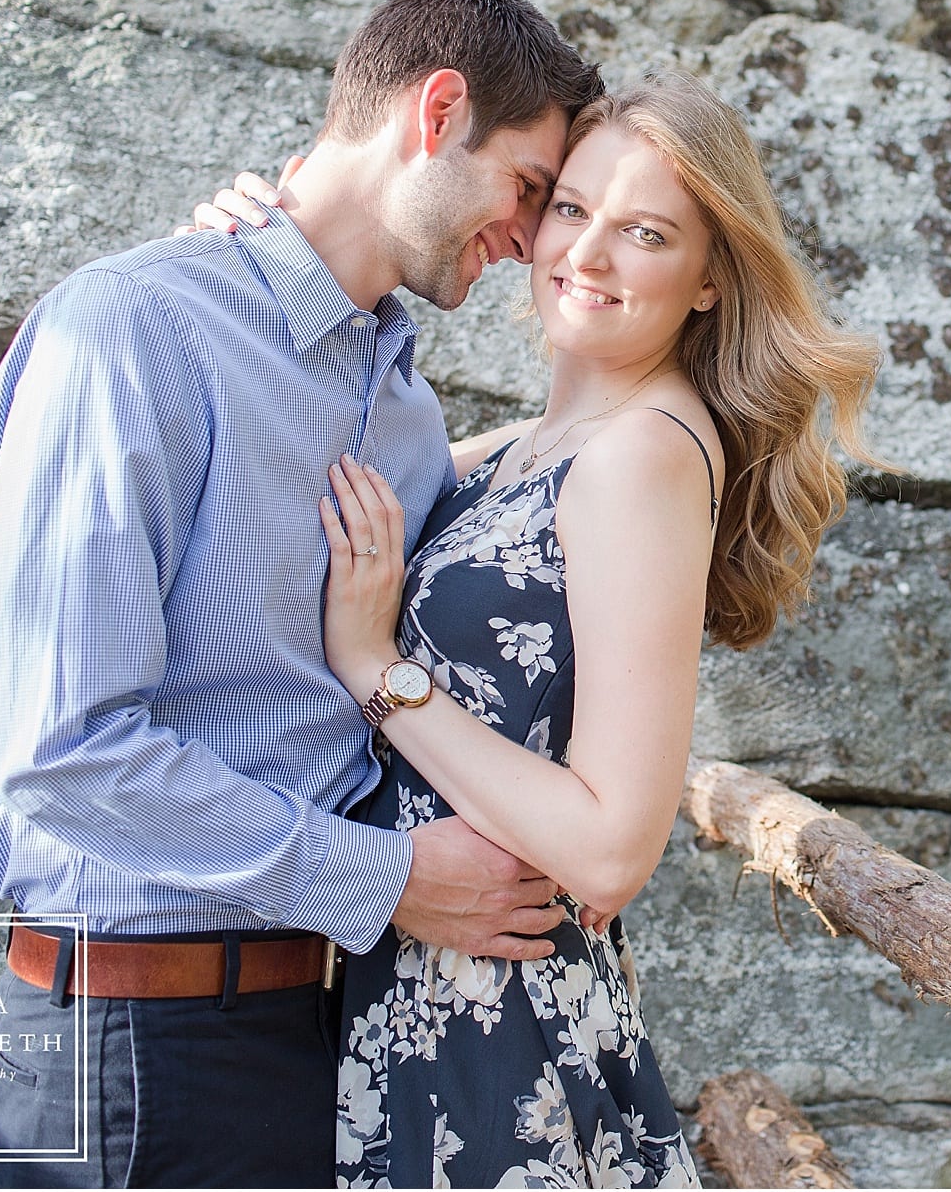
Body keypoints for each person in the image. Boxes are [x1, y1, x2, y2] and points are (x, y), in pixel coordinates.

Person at [0, 0, 604, 1188]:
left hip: (320, 1026)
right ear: (438, 110)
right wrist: (397, 880)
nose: (530, 237)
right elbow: (60, 749)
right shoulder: (131, 331)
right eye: (528, 186)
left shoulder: (409, 414)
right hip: (133, 1048)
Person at [195, 71, 884, 1187]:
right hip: (409, 1005)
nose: (591, 253)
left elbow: (614, 845)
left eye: (646, 232)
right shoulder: (528, 447)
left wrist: (379, 672)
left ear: (710, 279)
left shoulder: (644, 455)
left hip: (491, 1031)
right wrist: (247, 256)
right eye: (571, 208)